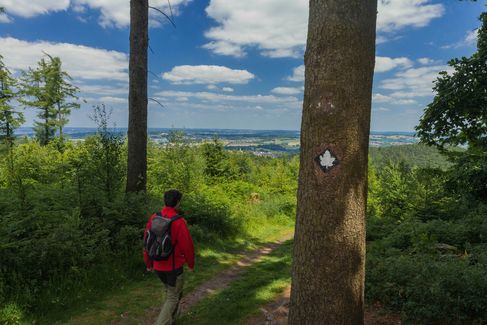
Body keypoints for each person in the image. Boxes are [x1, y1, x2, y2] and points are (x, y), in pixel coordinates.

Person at [143, 189, 195, 325]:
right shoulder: (179, 222)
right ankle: (162, 322)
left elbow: (147, 242)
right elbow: (187, 246)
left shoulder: (154, 217)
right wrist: (191, 263)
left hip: (158, 265)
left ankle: (171, 319)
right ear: (177, 203)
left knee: (169, 291)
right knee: (172, 297)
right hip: (174, 267)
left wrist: (148, 263)